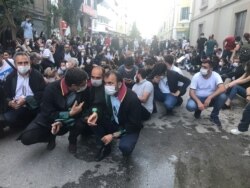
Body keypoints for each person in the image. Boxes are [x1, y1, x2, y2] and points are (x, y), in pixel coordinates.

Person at [19, 68, 90, 153]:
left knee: (81, 124)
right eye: (83, 84)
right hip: (51, 118)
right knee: (26, 138)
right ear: (73, 85)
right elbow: (47, 113)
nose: (86, 85)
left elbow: (87, 106)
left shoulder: (84, 89)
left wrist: (84, 115)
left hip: (73, 118)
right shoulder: (51, 89)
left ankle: (72, 140)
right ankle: (50, 137)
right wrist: (68, 114)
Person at [87, 71, 143, 161]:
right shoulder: (107, 93)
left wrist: (112, 135)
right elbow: (99, 105)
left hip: (128, 126)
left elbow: (134, 124)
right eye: (105, 83)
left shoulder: (132, 99)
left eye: (110, 83)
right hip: (115, 122)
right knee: (93, 120)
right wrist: (95, 113)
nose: (107, 86)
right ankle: (105, 146)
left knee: (125, 147)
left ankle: (123, 147)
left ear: (120, 84)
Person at [0, 52, 46, 137]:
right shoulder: (11, 77)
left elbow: (42, 94)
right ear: (15, 64)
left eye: (26, 62)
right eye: (20, 63)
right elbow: (6, 95)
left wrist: (26, 100)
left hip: (33, 108)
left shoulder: (36, 75)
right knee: (4, 119)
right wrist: (10, 102)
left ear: (30, 62)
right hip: (16, 107)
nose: (23, 65)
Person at [186, 59, 227, 126]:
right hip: (198, 97)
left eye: (205, 67)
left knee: (223, 96)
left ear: (211, 69)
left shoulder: (216, 75)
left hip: (210, 98)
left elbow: (223, 88)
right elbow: (191, 92)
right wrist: (199, 102)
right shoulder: (196, 76)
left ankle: (214, 116)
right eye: (202, 66)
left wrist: (210, 97)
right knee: (190, 106)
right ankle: (198, 109)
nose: (202, 69)